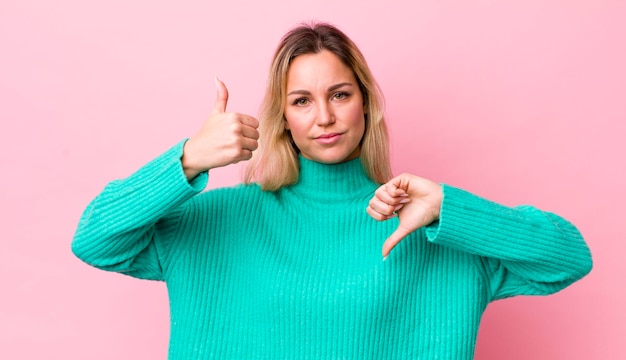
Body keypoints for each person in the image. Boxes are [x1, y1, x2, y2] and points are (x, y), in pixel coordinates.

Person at [72, 22, 592, 359]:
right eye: (301, 101)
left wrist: (447, 209)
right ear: (284, 118)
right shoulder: (218, 219)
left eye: (339, 94)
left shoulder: (429, 228)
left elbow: (568, 257)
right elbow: (93, 240)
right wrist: (185, 161)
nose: (324, 117)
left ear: (365, 103)